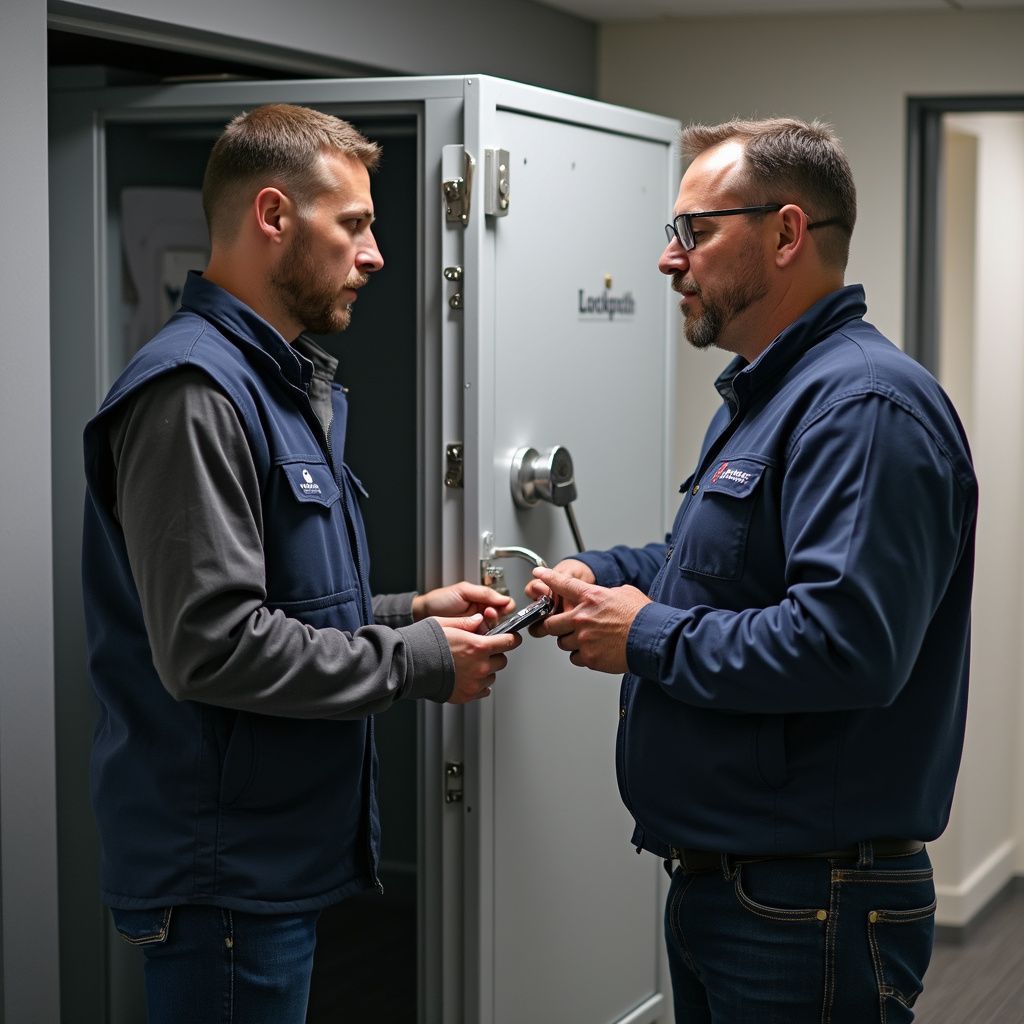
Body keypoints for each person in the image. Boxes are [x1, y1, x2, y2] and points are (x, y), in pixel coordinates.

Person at [527, 117, 977, 1023]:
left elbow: (845, 647)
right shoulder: (769, 393)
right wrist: (596, 571)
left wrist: (641, 635)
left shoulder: (864, 407)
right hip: (739, 890)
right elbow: (719, 570)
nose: (669, 258)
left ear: (784, 234)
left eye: (694, 230)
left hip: (810, 901)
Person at [81, 103, 520, 1024]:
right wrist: (419, 661)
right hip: (223, 876)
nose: (376, 254)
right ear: (274, 216)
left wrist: (405, 611)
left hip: (267, 863)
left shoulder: (273, 380)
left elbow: (280, 602)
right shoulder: (193, 394)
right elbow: (211, 646)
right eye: (354, 224)